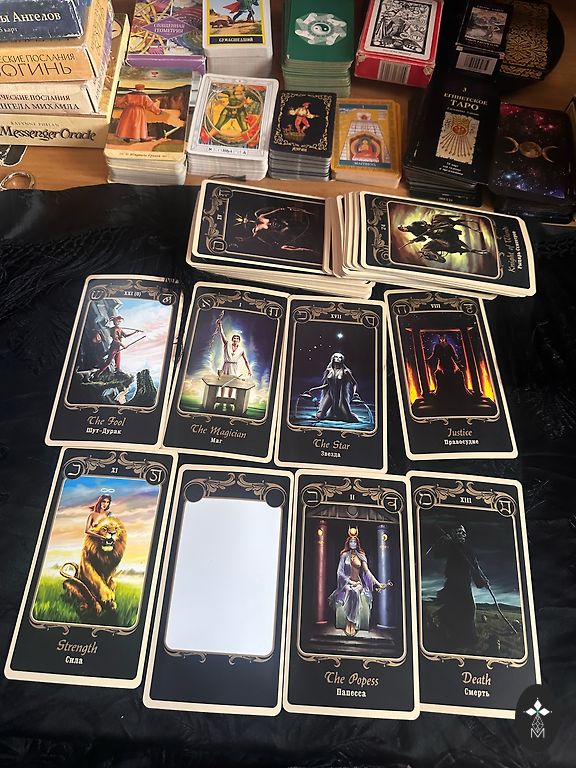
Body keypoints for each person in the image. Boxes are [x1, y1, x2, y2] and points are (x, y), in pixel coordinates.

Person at [430, 524, 489, 650]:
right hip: (452, 585)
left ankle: (465, 640)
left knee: (468, 609)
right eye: (459, 532)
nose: (463, 534)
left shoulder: (468, 551)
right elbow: (437, 554)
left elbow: (475, 568)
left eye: (463, 532)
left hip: (464, 585)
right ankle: (459, 639)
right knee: (462, 609)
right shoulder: (450, 547)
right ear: (453, 534)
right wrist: (444, 541)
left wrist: (482, 581)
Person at [329, 527, 389, 637]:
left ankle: (352, 622)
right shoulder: (344, 555)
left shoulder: (361, 556)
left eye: (354, 542)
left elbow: (367, 572)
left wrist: (378, 583)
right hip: (347, 583)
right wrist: (349, 582)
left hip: (358, 583)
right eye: (351, 541)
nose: (353, 543)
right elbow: (339, 572)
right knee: (350, 591)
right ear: (348, 543)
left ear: (357, 543)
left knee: (356, 592)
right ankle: (349, 622)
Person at [305, 352, 360, 423]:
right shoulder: (329, 370)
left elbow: (354, 383)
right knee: (320, 416)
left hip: (340, 396)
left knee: (350, 419)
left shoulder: (346, 372)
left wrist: (355, 393)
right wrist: (314, 389)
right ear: (333, 359)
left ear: (342, 360)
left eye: (340, 357)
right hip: (330, 395)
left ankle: (341, 414)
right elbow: (327, 385)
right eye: (336, 357)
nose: (338, 358)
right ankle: (322, 409)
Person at [216, 317, 252, 399]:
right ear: (232, 340)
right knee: (223, 382)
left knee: (232, 383)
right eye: (234, 338)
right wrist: (220, 325)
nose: (235, 339)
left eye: (237, 338)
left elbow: (246, 361)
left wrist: (249, 370)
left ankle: (229, 399)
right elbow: (222, 334)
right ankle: (222, 398)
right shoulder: (227, 344)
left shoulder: (241, 350)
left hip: (234, 367)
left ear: (239, 341)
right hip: (226, 365)